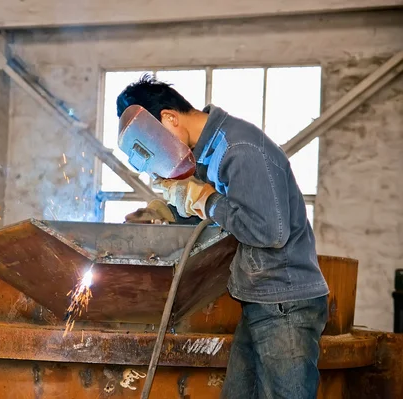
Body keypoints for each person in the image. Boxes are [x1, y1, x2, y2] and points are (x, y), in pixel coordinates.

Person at [117, 75, 329, 399]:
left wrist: (207, 200)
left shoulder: (239, 149)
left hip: (285, 303)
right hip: (261, 300)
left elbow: (268, 231)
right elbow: (224, 219)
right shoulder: (210, 153)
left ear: (170, 118)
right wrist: (169, 209)